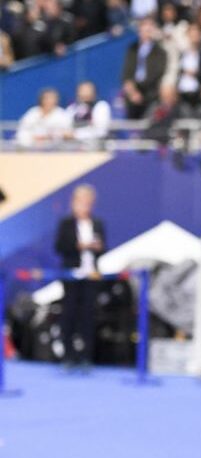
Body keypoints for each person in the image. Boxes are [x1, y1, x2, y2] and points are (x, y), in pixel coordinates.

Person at [54, 185, 106, 370]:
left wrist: (98, 247)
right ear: (74, 202)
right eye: (82, 202)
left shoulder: (97, 223)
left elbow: (104, 247)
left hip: (91, 275)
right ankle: (68, 356)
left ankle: (86, 357)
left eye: (88, 202)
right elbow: (59, 247)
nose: (85, 206)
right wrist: (79, 245)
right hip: (71, 276)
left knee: (88, 316)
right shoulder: (66, 223)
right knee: (69, 315)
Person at [121, 17, 167, 119]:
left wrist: (142, 93)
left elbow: (158, 73)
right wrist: (133, 92)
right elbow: (127, 73)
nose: (146, 32)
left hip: (151, 94)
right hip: (133, 93)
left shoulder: (160, 52)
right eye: (144, 29)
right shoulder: (132, 49)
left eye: (149, 29)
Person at [64, 81, 112, 146]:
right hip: (73, 145)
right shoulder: (72, 108)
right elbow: (66, 128)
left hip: (95, 144)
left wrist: (76, 134)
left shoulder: (101, 106)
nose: (84, 93)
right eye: (82, 90)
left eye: (87, 90)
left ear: (94, 92)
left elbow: (101, 131)